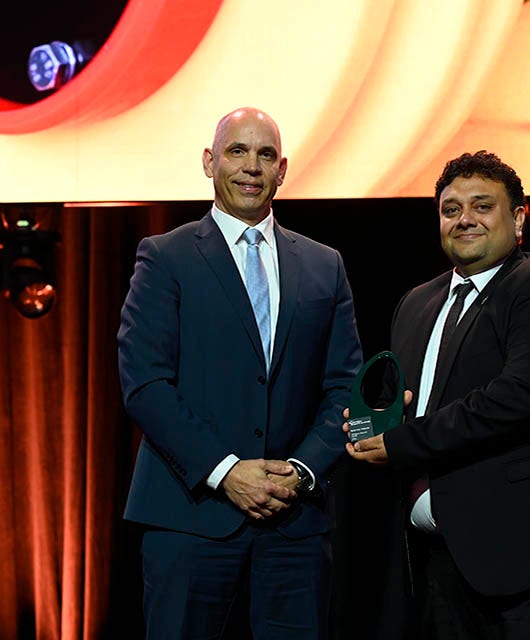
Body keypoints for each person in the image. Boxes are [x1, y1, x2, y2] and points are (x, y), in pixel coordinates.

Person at [344, 150, 530, 639]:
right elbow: (399, 402)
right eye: (451, 210)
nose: (464, 219)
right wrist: (368, 426)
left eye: (481, 206)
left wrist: (402, 443)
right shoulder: (416, 303)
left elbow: (517, 398)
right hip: (442, 571)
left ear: (517, 219)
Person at [118, 107, 362, 640]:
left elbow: (345, 385)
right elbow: (145, 384)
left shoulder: (325, 265)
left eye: (266, 154)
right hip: (190, 516)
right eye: (237, 151)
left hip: (293, 522)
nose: (252, 165)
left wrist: (300, 471)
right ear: (210, 162)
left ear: (283, 170)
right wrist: (226, 471)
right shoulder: (165, 257)